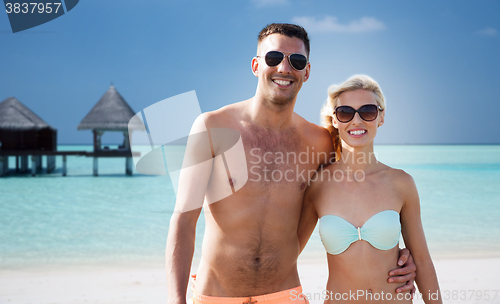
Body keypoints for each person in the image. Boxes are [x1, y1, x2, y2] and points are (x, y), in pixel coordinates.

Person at [166, 23, 416, 304]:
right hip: (217, 295)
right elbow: (184, 220)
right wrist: (177, 300)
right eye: (274, 58)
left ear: (306, 72)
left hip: (286, 295)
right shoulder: (212, 128)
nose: (284, 68)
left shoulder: (319, 142)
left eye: (296, 61)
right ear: (255, 65)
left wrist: (396, 253)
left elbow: (356, 195)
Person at [298, 75, 441, 303]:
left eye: (367, 111)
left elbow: (422, 261)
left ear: (381, 117)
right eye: (345, 112)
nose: (356, 121)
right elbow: (287, 254)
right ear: (335, 120)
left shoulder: (401, 183)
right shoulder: (317, 185)